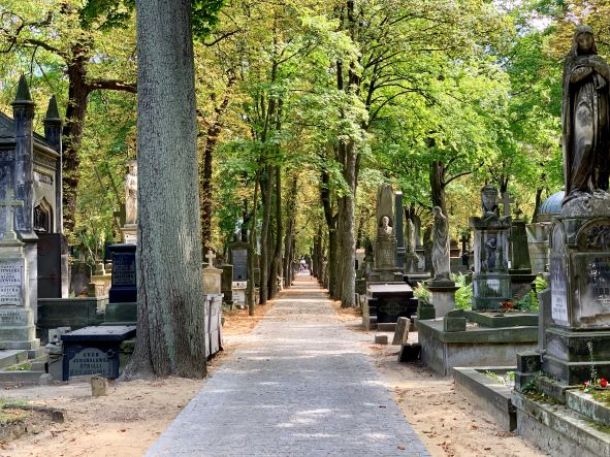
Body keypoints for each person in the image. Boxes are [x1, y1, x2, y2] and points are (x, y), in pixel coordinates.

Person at [562, 26, 610, 202]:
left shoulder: (599, 60)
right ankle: (577, 187)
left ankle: (597, 186)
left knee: (600, 147)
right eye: (581, 39)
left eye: (589, 38)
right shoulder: (572, 61)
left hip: (601, 105)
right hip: (582, 106)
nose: (586, 42)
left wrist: (598, 67)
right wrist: (591, 67)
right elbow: (571, 79)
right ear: (576, 42)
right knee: (586, 143)